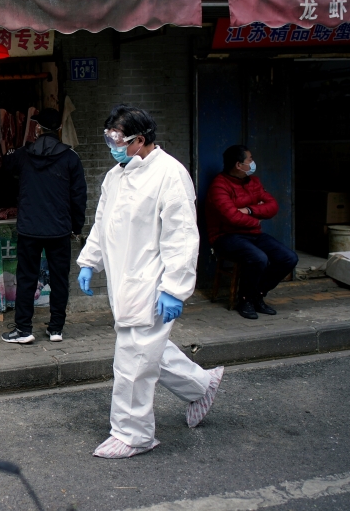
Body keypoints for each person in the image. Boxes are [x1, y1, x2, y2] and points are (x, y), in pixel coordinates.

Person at [77, 105, 224, 459]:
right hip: (125, 280)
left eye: (116, 139)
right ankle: (201, 385)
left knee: (133, 359)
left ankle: (133, 434)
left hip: (152, 282)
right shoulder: (116, 175)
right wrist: (89, 261)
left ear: (139, 140)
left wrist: (174, 287)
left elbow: (182, 236)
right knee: (145, 349)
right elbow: (102, 222)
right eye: (108, 137)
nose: (110, 145)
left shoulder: (169, 174)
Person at [0, 108, 87, 344]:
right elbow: (79, 196)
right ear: (59, 129)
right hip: (59, 230)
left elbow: (5, 166)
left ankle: (23, 329)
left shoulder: (23, 155)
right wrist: (76, 227)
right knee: (59, 278)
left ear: (37, 128)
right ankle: (56, 328)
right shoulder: (71, 158)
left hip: (29, 229)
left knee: (27, 277)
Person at [206, 145, 298, 319]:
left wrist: (248, 210)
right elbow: (231, 217)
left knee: (288, 258)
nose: (253, 163)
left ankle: (258, 294)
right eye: (250, 159)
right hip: (225, 236)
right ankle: (245, 300)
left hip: (252, 234)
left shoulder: (254, 182)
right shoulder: (219, 185)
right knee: (258, 258)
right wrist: (257, 217)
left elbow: (273, 207)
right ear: (238, 165)